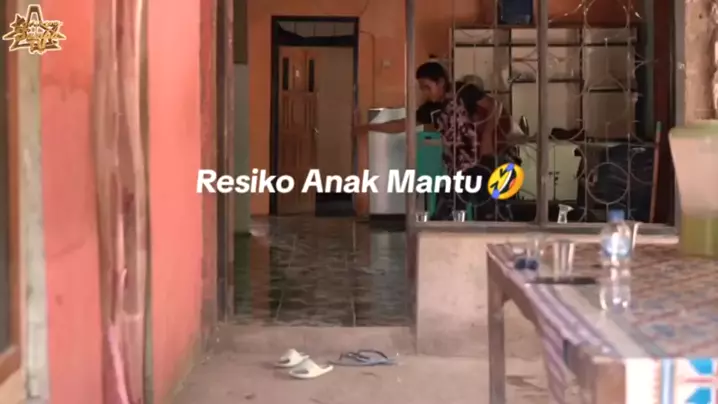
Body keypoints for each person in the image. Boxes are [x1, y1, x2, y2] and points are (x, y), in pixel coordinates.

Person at [353, 61, 517, 220]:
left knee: (492, 212)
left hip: (486, 160)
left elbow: (494, 106)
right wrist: (368, 127)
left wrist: (487, 135)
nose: (424, 92)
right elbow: (402, 124)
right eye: (421, 88)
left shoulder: (464, 91)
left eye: (427, 87)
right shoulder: (430, 109)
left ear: (440, 82)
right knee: (444, 215)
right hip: (458, 168)